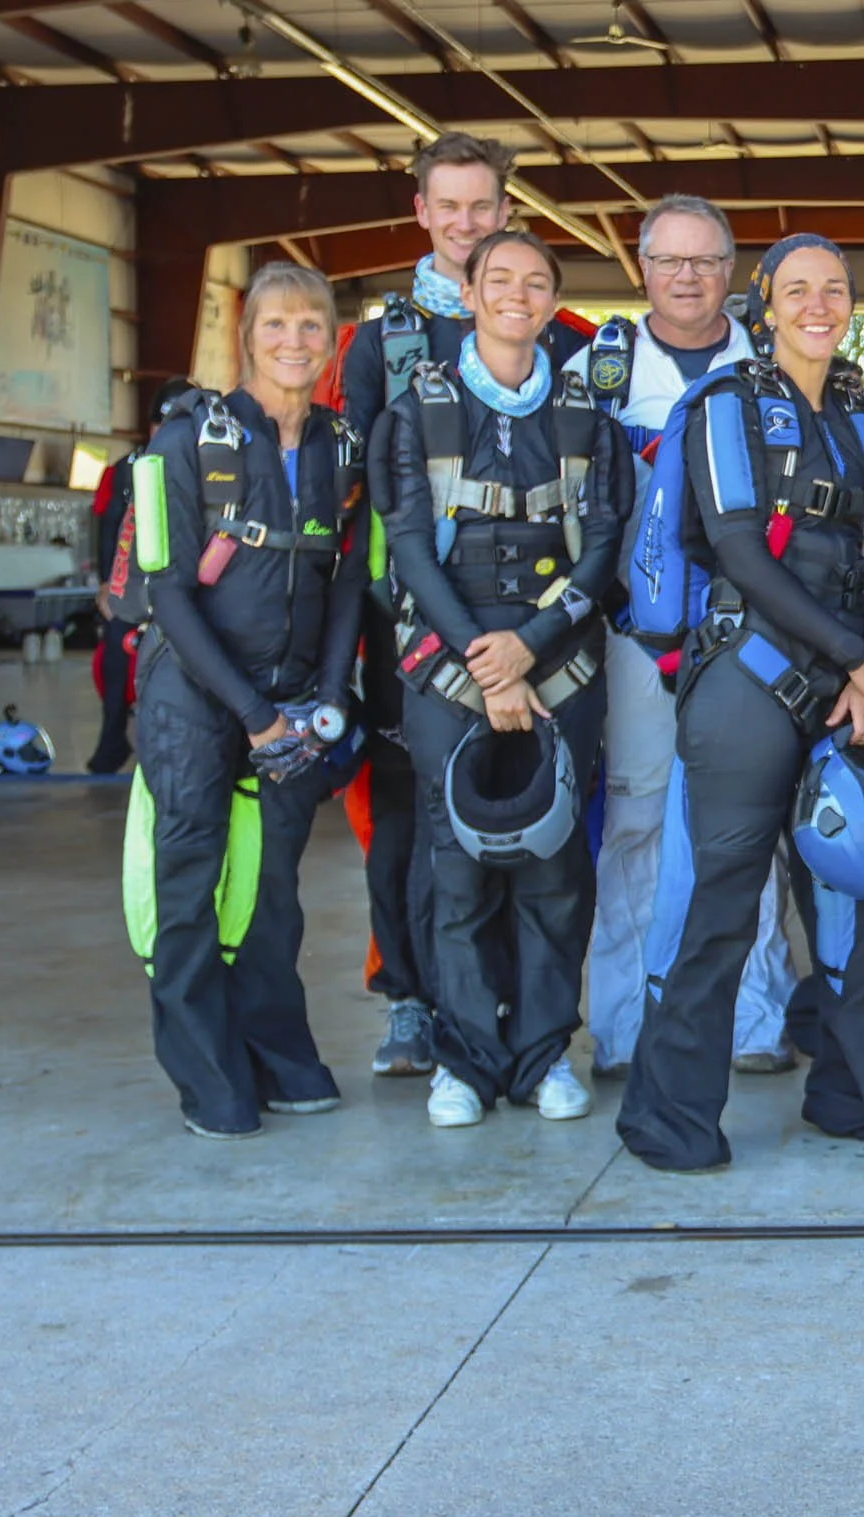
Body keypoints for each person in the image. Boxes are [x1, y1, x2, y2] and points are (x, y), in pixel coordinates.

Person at [616, 233, 864, 1171]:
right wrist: (856, 660)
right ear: (765, 305)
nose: (819, 304)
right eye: (798, 290)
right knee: (720, 898)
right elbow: (743, 551)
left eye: (835, 288)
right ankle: (668, 1113)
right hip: (747, 685)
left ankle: (850, 1087)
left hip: (853, 685)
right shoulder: (723, 406)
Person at [341, 132, 592, 1079]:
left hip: (540, 628)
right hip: (412, 619)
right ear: (421, 213)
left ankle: (529, 1021)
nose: (464, 223)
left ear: (506, 212)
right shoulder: (382, 343)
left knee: (538, 809)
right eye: (447, 206)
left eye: (481, 206)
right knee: (412, 821)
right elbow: (365, 492)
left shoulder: (563, 340)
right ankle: (415, 1001)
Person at [377, 229, 630, 1130]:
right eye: (499, 280)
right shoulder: (418, 411)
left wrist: (529, 648)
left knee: (556, 866)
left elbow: (601, 547)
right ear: (471, 294)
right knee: (457, 870)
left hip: (559, 663)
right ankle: (466, 1063)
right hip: (451, 667)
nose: (516, 294)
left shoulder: (583, 417)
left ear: (552, 300)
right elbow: (409, 546)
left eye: (535, 282)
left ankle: (542, 1054)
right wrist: (487, 662)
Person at [127, 262, 367, 1138]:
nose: (295, 341)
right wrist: (252, 714)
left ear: (332, 337)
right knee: (191, 879)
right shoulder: (185, 443)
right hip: (193, 692)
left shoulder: (344, 447)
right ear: (247, 337)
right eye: (276, 325)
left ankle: (277, 1051)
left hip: (297, 694)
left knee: (272, 891)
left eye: (312, 325)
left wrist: (330, 694)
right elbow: (168, 596)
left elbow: (346, 584)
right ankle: (209, 1074)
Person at [565, 195, 798, 1083]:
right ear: (642, 268)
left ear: (733, 270)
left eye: (705, 261)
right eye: (670, 261)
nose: (688, 277)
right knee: (634, 816)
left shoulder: (771, 365)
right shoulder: (601, 370)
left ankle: (756, 1018)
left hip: (752, 637)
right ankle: (623, 1026)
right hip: (636, 633)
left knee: (750, 823)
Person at [87, 378, 195, 775]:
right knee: (118, 655)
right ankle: (113, 737)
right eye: (161, 424)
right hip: (135, 585)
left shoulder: (216, 464)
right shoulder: (125, 471)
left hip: (194, 585)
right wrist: (106, 584)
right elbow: (109, 527)